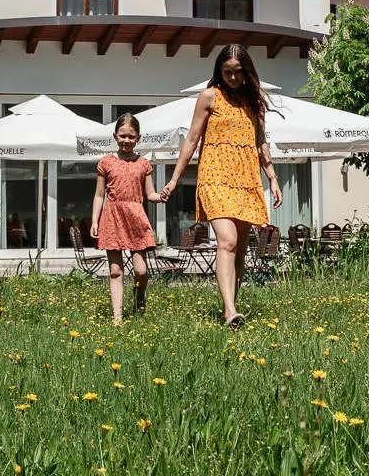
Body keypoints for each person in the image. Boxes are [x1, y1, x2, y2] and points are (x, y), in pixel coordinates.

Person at [160, 44, 282, 327]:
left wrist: (273, 178)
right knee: (226, 241)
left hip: (246, 177)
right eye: (227, 72)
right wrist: (175, 178)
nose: (233, 77)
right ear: (219, 71)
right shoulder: (209, 97)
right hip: (214, 175)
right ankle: (229, 310)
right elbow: (191, 139)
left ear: (247, 72)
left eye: (238, 72)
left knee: (239, 248)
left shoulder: (254, 102)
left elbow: (260, 142)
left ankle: (232, 308)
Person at [90, 113, 162, 324]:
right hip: (112, 217)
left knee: (141, 270)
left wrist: (161, 196)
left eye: (131, 136)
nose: (126, 140)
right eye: (122, 136)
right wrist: (95, 220)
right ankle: (118, 317)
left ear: (138, 138)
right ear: (115, 136)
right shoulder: (106, 163)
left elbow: (150, 194)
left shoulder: (143, 164)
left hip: (136, 217)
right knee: (115, 271)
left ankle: (139, 298)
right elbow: (99, 195)